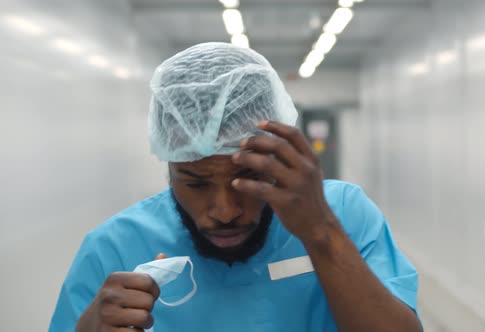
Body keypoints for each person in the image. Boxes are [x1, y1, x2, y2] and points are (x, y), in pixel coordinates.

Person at [49, 43, 421, 332]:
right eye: (195, 182)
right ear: (168, 162)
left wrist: (320, 233)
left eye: (248, 178)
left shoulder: (342, 214)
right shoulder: (113, 249)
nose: (225, 211)